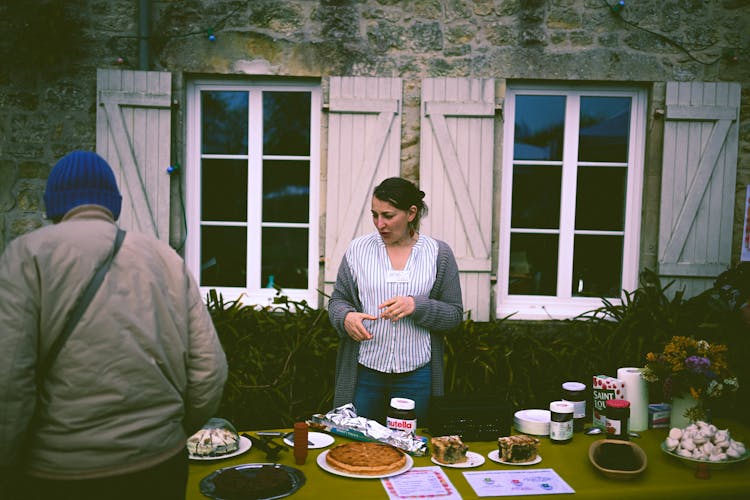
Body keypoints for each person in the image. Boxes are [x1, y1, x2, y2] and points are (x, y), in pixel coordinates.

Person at [0, 151, 228, 500]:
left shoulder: (26, 255)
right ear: (114, 203)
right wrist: (171, 431)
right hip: (159, 468)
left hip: (60, 474)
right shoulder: (164, 256)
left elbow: (8, 382)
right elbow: (210, 370)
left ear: (53, 203)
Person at [328, 177, 463, 425]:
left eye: (388, 216)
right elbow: (338, 300)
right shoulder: (358, 250)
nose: (380, 224)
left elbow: (454, 315)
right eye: (375, 215)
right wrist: (345, 317)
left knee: (410, 445)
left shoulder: (438, 254)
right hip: (364, 372)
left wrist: (417, 306)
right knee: (359, 448)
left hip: (417, 375)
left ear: (411, 213)